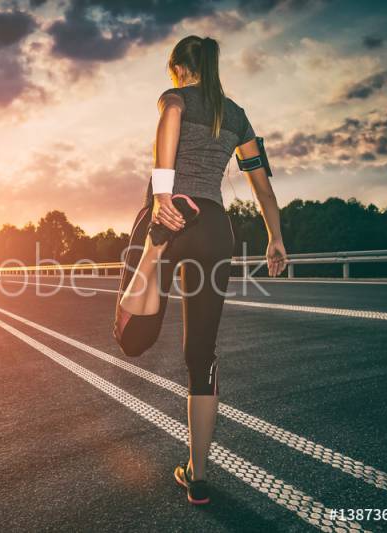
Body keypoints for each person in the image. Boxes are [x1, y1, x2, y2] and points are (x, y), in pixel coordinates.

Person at [115, 35, 287, 505]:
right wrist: (275, 237)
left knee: (131, 337)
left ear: (177, 67)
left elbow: (171, 114)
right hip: (214, 227)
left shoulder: (175, 98)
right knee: (201, 356)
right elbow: (263, 188)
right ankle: (199, 474)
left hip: (168, 216)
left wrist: (163, 198)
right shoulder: (237, 116)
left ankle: (152, 252)